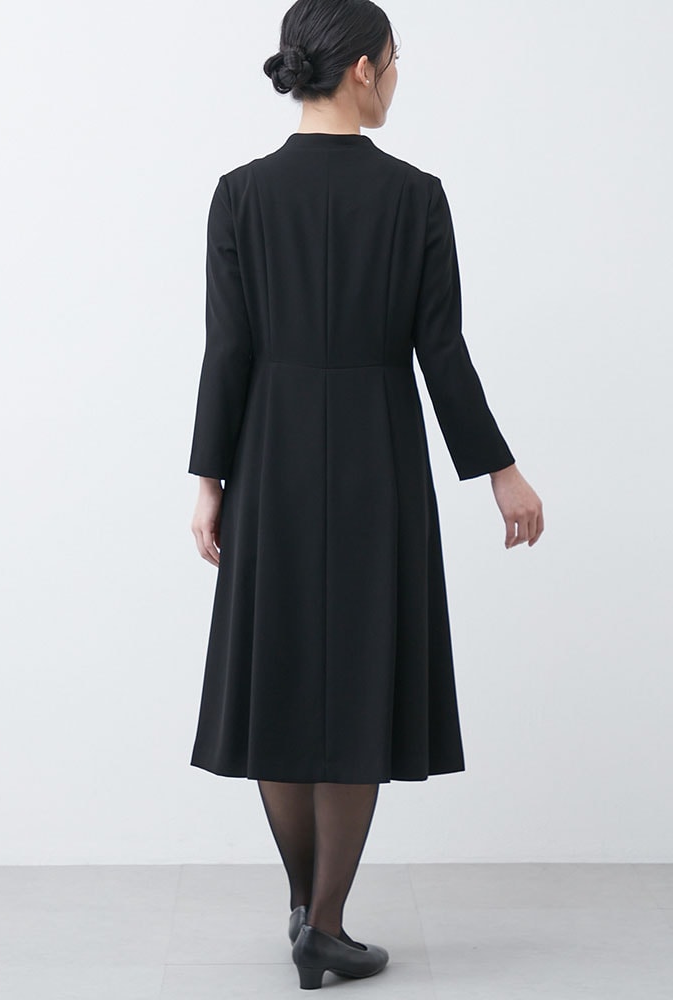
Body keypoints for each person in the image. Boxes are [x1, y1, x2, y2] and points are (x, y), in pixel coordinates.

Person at [187, 0, 544, 988]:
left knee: (279, 674)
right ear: (361, 70)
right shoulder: (414, 197)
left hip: (270, 454)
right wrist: (499, 469)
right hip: (377, 457)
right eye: (393, 61)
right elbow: (441, 351)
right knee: (355, 679)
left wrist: (209, 480)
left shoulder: (239, 195)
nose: (395, 78)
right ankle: (327, 924)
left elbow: (227, 351)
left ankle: (306, 910)